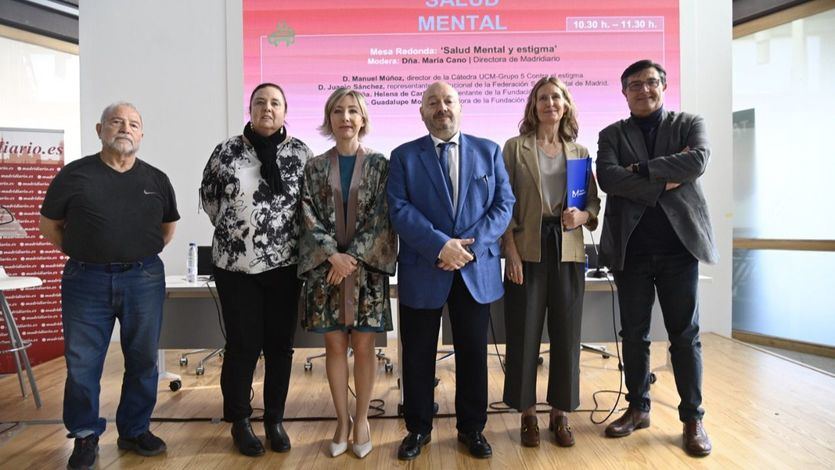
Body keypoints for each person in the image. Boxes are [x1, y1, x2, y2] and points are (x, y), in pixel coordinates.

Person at [39, 102, 179, 470]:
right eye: (116, 122)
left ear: (142, 135)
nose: (125, 128)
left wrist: (133, 255)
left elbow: (166, 230)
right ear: (99, 130)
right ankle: (85, 436)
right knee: (83, 363)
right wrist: (87, 252)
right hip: (86, 280)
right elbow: (49, 225)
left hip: (144, 278)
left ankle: (134, 430)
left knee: (144, 359)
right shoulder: (74, 175)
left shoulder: (156, 179)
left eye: (133, 123)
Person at [596, 59, 718, 457]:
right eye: (635, 85)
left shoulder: (688, 124)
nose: (643, 90)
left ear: (663, 86)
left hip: (680, 249)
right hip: (631, 251)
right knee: (634, 336)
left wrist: (642, 169)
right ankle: (638, 408)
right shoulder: (611, 133)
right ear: (624, 92)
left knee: (685, 336)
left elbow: (697, 161)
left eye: (651, 83)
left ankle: (692, 418)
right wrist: (665, 180)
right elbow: (609, 178)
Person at [387, 81, 515, 460]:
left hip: (474, 271)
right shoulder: (404, 156)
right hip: (425, 267)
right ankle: (418, 429)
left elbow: (503, 204)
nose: (441, 108)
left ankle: (472, 429)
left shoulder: (489, 151)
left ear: (460, 108)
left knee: (474, 354)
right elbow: (399, 208)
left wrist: (466, 249)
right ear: (422, 112)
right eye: (433, 103)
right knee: (418, 355)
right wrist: (440, 245)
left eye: (448, 101)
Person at [200, 82, 313, 456]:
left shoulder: (300, 152)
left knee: (280, 347)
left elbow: (309, 206)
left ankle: (275, 421)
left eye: (275, 103)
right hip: (236, 269)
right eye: (260, 102)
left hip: (285, 267)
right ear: (250, 109)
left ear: (285, 111)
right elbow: (211, 201)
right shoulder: (227, 151)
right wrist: (241, 235)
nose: (268, 108)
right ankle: (240, 421)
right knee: (243, 345)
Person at [501, 76, 601, 448]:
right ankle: (527, 413)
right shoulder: (514, 148)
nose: (549, 103)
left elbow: (593, 201)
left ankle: (560, 413)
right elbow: (503, 203)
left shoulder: (579, 152)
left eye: (556, 97)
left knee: (567, 334)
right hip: (527, 249)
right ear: (533, 106)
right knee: (523, 333)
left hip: (569, 250)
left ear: (565, 105)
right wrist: (509, 250)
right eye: (542, 98)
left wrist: (584, 217)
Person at [298, 88, 396, 459]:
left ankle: (362, 420)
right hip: (328, 273)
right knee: (335, 345)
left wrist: (350, 257)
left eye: (352, 111)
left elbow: (383, 218)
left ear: (362, 119)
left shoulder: (379, 165)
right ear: (329, 118)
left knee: (365, 345)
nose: (345, 117)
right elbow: (307, 215)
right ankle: (341, 420)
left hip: (365, 272)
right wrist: (332, 257)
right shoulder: (314, 167)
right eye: (337, 110)